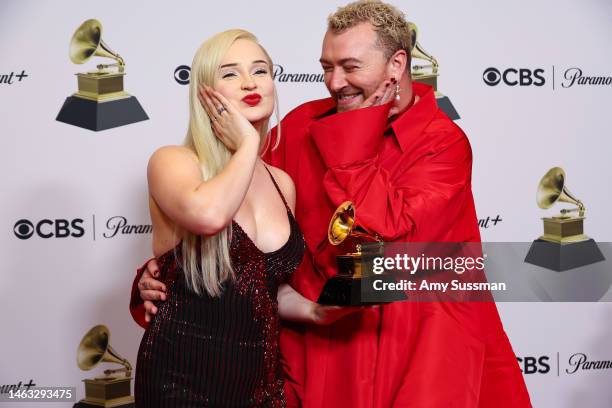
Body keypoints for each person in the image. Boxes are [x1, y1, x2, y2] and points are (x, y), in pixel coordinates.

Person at [132, 2, 532, 407]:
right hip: (318, 348)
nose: (334, 82)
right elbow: (232, 218)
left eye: (350, 66)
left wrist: (357, 131)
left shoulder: (443, 144)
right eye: (326, 67)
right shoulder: (304, 125)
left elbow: (389, 244)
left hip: (413, 345)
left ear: (396, 65)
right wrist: (166, 272)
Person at [134, 29, 362, 407]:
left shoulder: (281, 183)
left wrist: (318, 311)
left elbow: (266, 285)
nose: (248, 83)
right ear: (205, 93)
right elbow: (210, 216)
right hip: (179, 378)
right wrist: (249, 144)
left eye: (260, 70)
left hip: (259, 384)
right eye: (229, 74)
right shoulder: (174, 162)